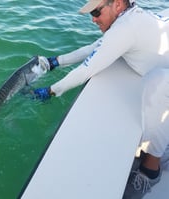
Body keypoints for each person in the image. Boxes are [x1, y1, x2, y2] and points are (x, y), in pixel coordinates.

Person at [33, 0, 169, 198]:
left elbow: (87, 69)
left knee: (156, 84)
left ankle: (151, 169)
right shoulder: (129, 20)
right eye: (91, 14)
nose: (94, 20)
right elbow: (94, 48)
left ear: (119, 5)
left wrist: (51, 91)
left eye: (97, 12)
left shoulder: (126, 28)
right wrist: (56, 62)